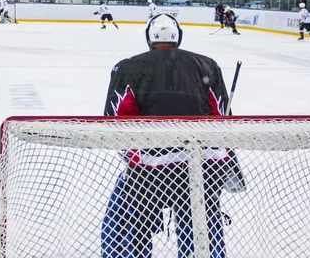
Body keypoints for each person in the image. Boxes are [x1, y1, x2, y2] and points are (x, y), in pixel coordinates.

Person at [101, 14, 245, 258]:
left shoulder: (127, 67)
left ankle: (128, 250)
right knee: (203, 222)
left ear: (149, 38)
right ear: (179, 37)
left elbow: (116, 122)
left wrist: (135, 155)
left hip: (149, 171)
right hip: (201, 168)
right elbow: (222, 118)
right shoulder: (207, 65)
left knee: (122, 219)